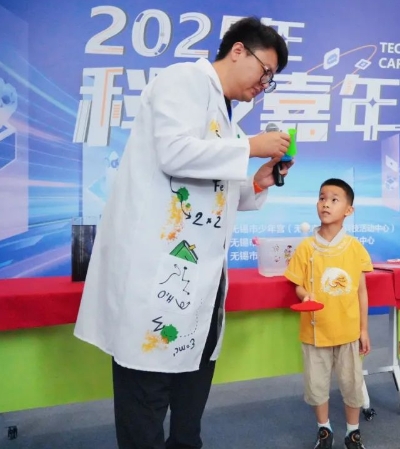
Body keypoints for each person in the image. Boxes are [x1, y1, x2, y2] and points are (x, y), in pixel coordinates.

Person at [74, 17, 292, 449]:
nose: (264, 84)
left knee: (190, 408)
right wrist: (250, 146)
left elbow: (214, 193)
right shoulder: (183, 80)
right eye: (265, 71)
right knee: (146, 404)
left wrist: (258, 182)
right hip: (158, 277)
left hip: (200, 286)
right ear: (238, 51)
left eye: (271, 79)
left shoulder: (227, 117)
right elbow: (174, 153)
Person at [284, 178, 373, 449]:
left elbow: (361, 292)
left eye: (334, 199)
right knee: (316, 385)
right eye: (322, 198)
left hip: (348, 331)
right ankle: (324, 430)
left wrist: (363, 329)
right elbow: (297, 285)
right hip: (315, 331)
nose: (326, 204)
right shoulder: (306, 247)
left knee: (352, 384)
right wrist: (305, 295)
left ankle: (353, 433)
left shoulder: (355, 248)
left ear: (349, 210)